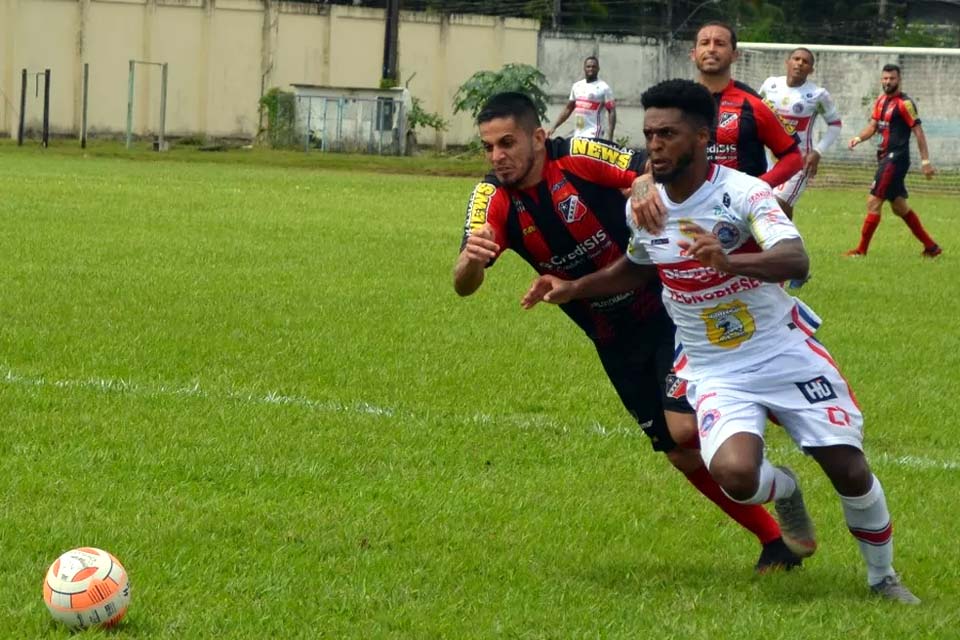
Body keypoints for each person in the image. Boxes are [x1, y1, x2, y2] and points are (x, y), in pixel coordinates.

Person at [522, 79, 920, 604]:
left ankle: (883, 578)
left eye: (668, 133)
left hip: (780, 349)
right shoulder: (644, 208)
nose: (656, 144)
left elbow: (796, 259)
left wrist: (730, 260)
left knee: (846, 464)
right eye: (649, 133)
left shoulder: (744, 193)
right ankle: (787, 490)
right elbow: (639, 266)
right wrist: (573, 287)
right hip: (712, 366)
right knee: (735, 473)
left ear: (702, 136)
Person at [455, 91, 801, 573]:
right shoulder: (490, 197)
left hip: (668, 311)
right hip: (611, 336)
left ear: (538, 136)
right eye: (488, 147)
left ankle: (805, 425)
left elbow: (648, 165)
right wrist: (470, 263)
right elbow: (463, 284)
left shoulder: (577, 155)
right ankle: (775, 541)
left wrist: (640, 182)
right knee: (680, 454)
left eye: (507, 143)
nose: (497, 157)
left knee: (685, 427)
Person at [691, 22, 802, 195]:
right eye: (704, 43)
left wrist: (756, 189)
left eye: (720, 43)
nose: (711, 49)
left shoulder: (755, 103)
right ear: (693, 54)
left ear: (735, 55)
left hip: (738, 212)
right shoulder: (677, 102)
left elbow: (793, 158)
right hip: (687, 205)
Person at [846, 64, 941, 258]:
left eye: (892, 79)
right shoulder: (881, 100)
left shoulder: (904, 104)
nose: (888, 82)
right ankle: (931, 247)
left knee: (873, 201)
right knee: (899, 207)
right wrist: (858, 138)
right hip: (884, 157)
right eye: (885, 78)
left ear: (899, 80)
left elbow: (918, 131)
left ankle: (861, 251)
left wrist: (925, 161)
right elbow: (873, 126)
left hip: (895, 158)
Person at [759, 48, 843, 218]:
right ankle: (788, 242)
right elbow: (755, 110)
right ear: (787, 62)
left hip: (799, 159)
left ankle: (782, 242)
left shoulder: (818, 94)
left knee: (777, 204)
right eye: (796, 59)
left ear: (811, 70)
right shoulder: (770, 85)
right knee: (773, 205)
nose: (799, 63)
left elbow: (835, 124)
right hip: (768, 158)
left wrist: (817, 152)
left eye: (805, 62)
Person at [547, 56, 617, 140]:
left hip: (594, 134)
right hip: (578, 134)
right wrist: (554, 127)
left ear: (598, 69)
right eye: (588, 66)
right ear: (584, 68)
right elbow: (568, 109)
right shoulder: (577, 86)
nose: (591, 69)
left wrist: (610, 136)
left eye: (594, 67)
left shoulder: (604, 88)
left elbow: (611, 111)